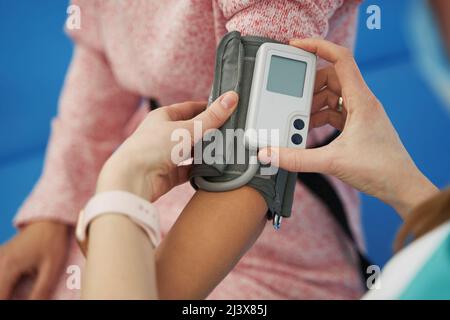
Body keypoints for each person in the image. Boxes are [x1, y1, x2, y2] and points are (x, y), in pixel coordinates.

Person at [0, 0, 365, 300]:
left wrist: (129, 287)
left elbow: (254, 162)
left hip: (264, 217)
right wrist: (50, 218)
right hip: (155, 171)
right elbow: (98, 80)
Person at [82, 38, 447, 299]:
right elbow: (94, 73)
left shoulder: (413, 282)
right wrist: (407, 187)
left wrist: (120, 186)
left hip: (272, 248)